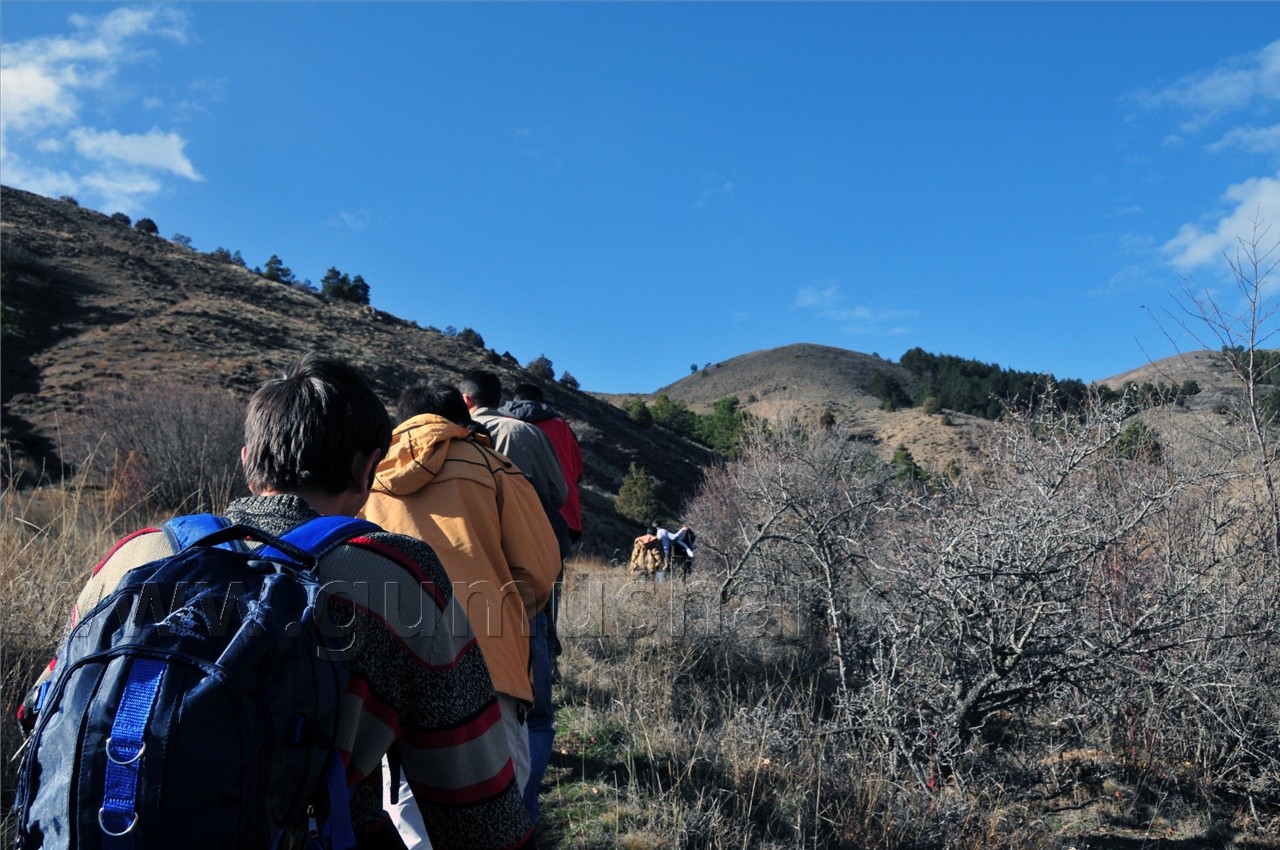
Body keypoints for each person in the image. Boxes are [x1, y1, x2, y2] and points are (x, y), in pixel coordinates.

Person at [18, 354, 535, 850]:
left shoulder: (131, 557)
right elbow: (476, 804)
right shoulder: (398, 578)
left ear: (248, 462)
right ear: (367, 470)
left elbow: (38, 712)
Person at [359, 379, 561, 843]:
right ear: (462, 420)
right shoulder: (494, 467)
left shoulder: (364, 477)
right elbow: (539, 570)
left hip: (393, 673)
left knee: (409, 820)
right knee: (496, 818)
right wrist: (504, 615)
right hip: (490, 670)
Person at [498, 383, 584, 822]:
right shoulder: (558, 428)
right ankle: (542, 679)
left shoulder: (492, 430)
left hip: (492, 554)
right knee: (542, 623)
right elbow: (571, 481)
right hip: (554, 533)